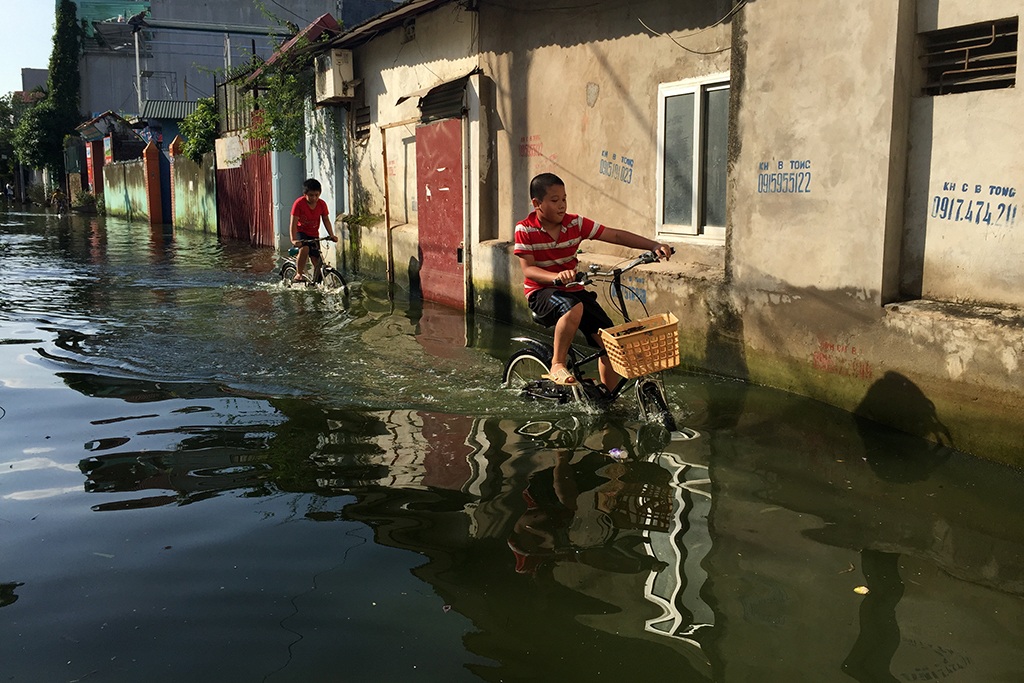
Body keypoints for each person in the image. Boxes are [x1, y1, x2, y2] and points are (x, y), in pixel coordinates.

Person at [514, 172, 673, 388]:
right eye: (554, 200)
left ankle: (608, 398)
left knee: (611, 343)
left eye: (564, 199)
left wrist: (653, 246)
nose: (562, 205)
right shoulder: (525, 229)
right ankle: (557, 363)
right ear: (537, 203)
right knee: (573, 307)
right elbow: (529, 270)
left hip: (573, 289)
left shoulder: (575, 224)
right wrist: (556, 277)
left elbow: (614, 235)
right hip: (541, 291)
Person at [289, 178, 338, 282]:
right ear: (305, 194)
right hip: (300, 232)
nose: (314, 198)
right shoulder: (298, 204)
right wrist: (293, 239)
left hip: (314, 233)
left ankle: (317, 282)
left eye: (317, 195)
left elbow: (326, 220)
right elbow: (293, 223)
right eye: (311, 195)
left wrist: (331, 235)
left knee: (317, 260)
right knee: (305, 248)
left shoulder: (322, 204)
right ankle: (299, 274)